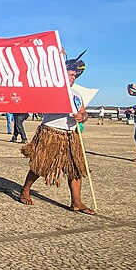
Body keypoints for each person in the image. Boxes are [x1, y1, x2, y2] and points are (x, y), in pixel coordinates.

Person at [18, 54, 94, 215]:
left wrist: (83, 117)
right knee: (41, 166)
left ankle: (76, 202)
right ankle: (25, 189)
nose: (74, 77)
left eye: (75, 75)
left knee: (75, 169)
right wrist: (59, 57)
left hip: (71, 136)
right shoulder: (52, 90)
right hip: (51, 133)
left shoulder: (77, 95)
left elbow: (84, 113)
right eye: (71, 74)